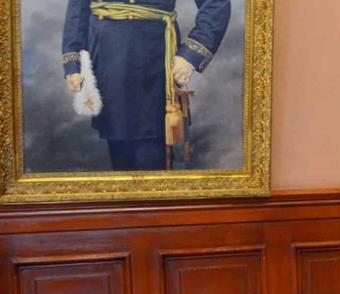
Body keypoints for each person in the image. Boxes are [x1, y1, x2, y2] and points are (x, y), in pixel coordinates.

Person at [62, 0, 231, 171]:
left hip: (154, 59)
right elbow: (78, 9)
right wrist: (72, 61)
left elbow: (215, 4)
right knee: (120, 154)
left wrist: (190, 55)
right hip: (108, 60)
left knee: (152, 155)